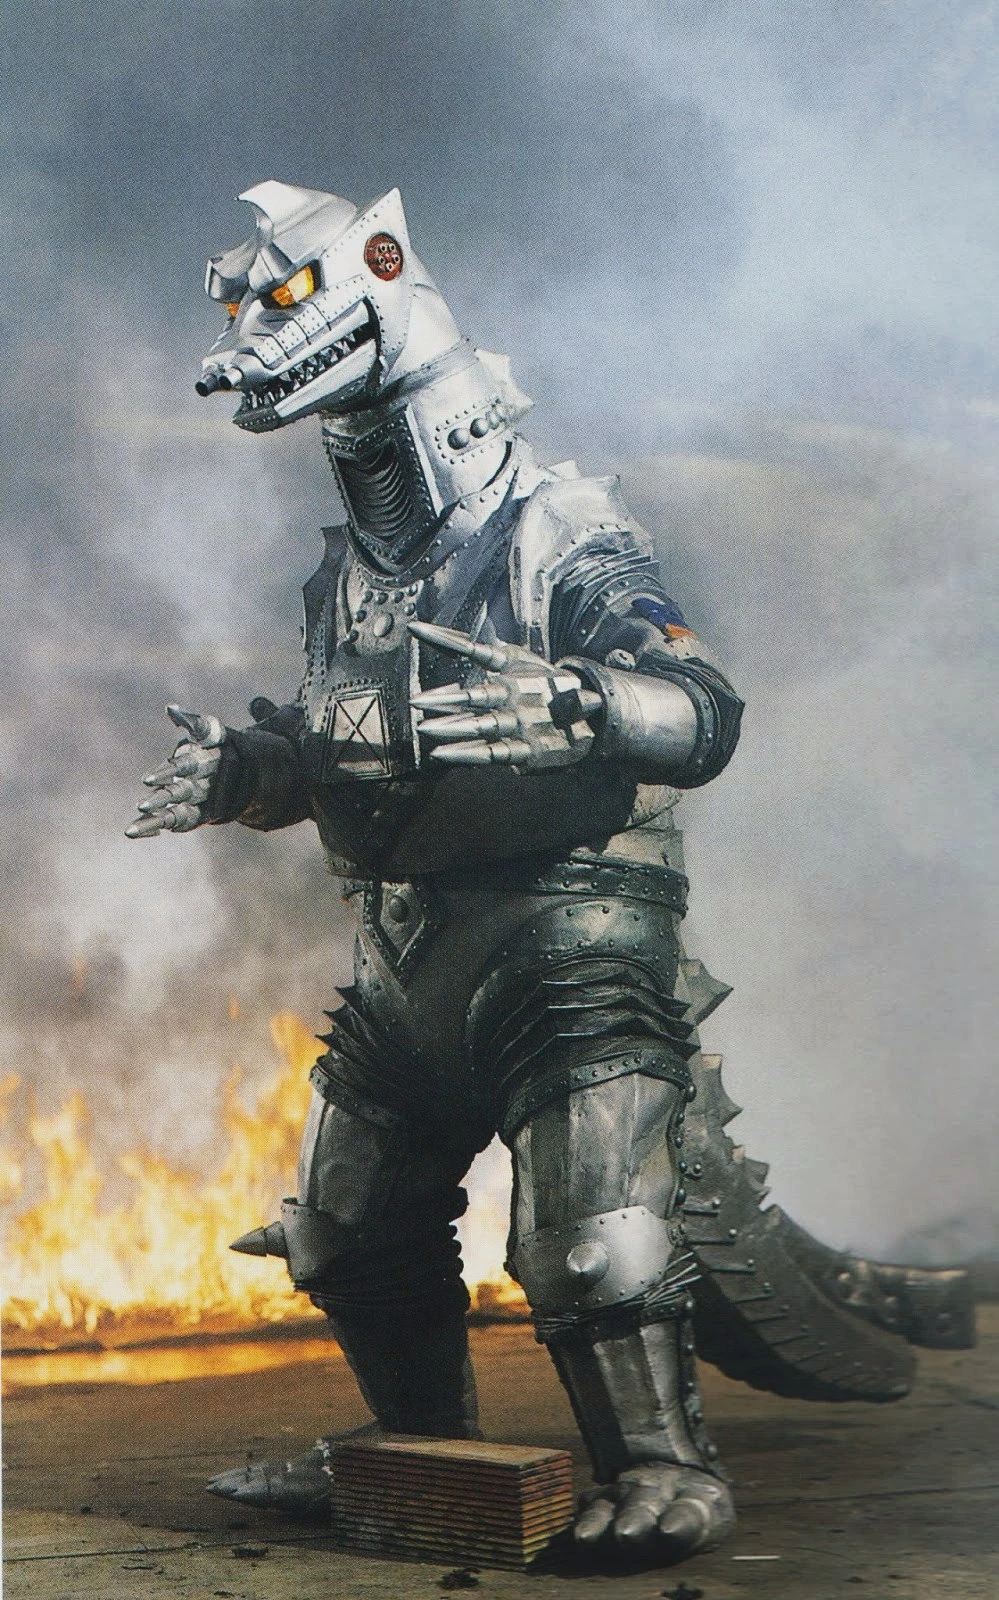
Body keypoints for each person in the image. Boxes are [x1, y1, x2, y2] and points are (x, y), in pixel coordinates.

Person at [128, 181, 971, 1559]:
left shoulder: (559, 529)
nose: (246, 350)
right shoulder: (351, 576)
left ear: (385, 275)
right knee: (345, 1231)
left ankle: (665, 1468)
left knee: (590, 1240)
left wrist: (582, 700)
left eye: (284, 303)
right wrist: (255, 771)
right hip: (405, 959)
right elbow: (355, 748)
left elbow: (702, 707)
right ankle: (422, 1454)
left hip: (568, 947)